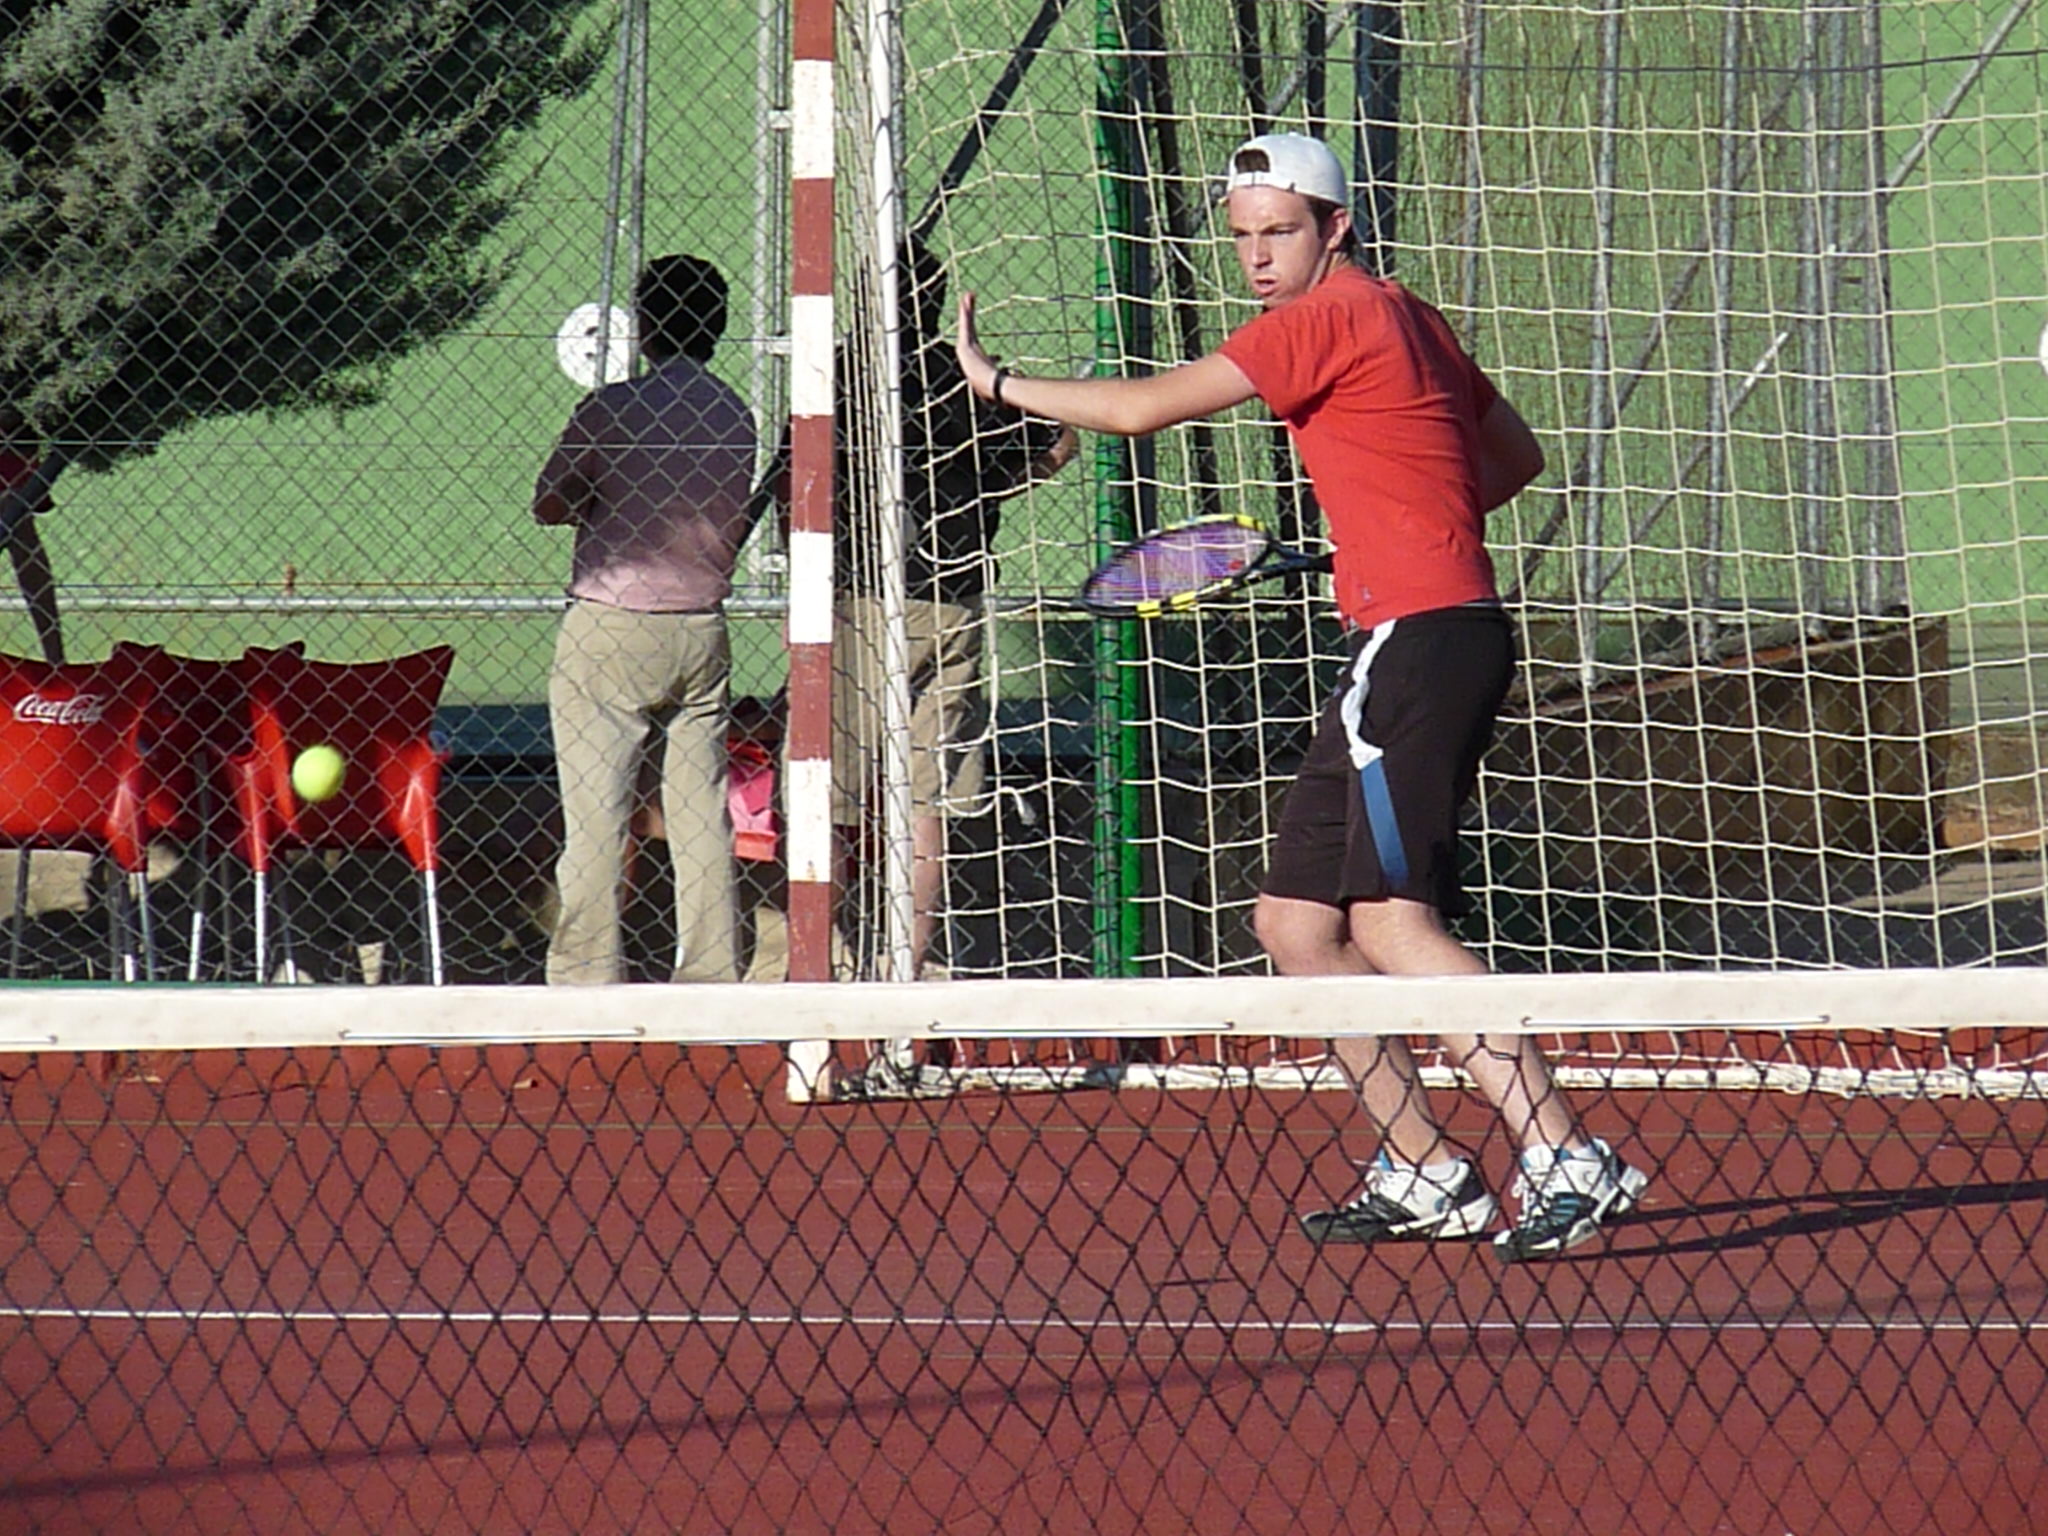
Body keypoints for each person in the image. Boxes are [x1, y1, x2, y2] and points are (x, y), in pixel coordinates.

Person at [953, 133, 1646, 1260]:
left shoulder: (1326, 315)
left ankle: (1566, 1154)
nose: (1258, 256)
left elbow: (1142, 410)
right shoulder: (1406, 314)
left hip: (1417, 643)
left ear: (1335, 228)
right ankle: (1426, 1171)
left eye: (1279, 231)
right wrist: (1393, 524)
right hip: (1421, 635)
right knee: (1294, 924)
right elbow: (1510, 457)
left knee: (1390, 919)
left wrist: (996, 382)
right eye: (1241, 237)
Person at [761, 239, 1076, 985]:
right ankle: (908, 955)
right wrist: (995, 480)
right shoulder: (959, 375)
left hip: (858, 599)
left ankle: (820, 954)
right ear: (937, 303)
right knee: (928, 793)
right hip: (951, 598)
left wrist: (803, 580)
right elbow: (1059, 441)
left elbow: (790, 483)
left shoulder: (838, 373)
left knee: (829, 787)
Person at [534, 253, 760, 986]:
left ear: (647, 327)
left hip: (612, 621)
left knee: (598, 811)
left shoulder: (611, 409)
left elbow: (549, 503)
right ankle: (712, 973)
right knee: (700, 813)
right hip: (700, 626)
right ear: (714, 327)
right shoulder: (734, 413)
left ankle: (586, 974)